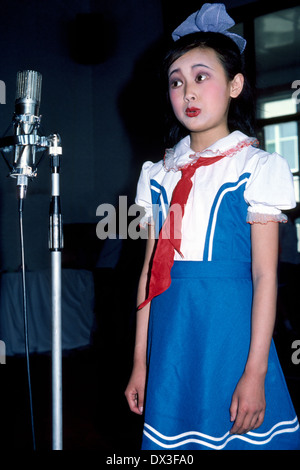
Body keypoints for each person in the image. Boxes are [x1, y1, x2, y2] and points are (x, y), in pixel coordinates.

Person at [125, 3, 300, 450]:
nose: (188, 92)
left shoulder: (257, 167)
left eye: (201, 77)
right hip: (173, 332)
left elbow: (265, 276)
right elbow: (147, 276)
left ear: (235, 84)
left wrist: (256, 370)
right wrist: (140, 362)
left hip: (231, 331)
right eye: (177, 81)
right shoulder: (158, 174)